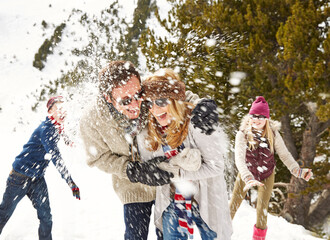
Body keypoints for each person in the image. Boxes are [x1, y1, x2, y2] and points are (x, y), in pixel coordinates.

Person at [79, 60, 219, 240]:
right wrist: (132, 170)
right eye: (126, 101)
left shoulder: (147, 93)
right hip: (133, 186)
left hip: (167, 180)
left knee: (170, 233)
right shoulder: (91, 121)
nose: (136, 104)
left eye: (138, 95)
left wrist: (202, 105)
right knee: (135, 236)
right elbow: (98, 158)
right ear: (108, 98)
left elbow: (175, 93)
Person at [136, 68, 232, 240]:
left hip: (205, 198)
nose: (155, 109)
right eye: (150, 103)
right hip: (173, 200)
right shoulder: (150, 129)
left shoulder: (198, 122)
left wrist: (179, 172)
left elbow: (216, 166)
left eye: (161, 101)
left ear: (175, 100)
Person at [0, 96, 80, 240]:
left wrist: (66, 139)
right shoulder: (46, 129)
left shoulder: (55, 126)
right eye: (58, 109)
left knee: (46, 216)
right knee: (4, 212)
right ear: (50, 111)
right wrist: (70, 182)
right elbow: (56, 157)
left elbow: (59, 131)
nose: (63, 112)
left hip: (37, 179)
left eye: (64, 109)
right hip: (19, 177)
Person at [229, 96, 313, 240]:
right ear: (250, 117)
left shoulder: (273, 134)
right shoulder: (242, 134)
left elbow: (285, 155)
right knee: (233, 206)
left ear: (266, 119)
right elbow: (239, 160)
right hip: (246, 173)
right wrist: (248, 177)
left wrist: (298, 171)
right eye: (254, 116)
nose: (257, 119)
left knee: (262, 210)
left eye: (261, 116)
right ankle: (219, 234)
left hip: (266, 174)